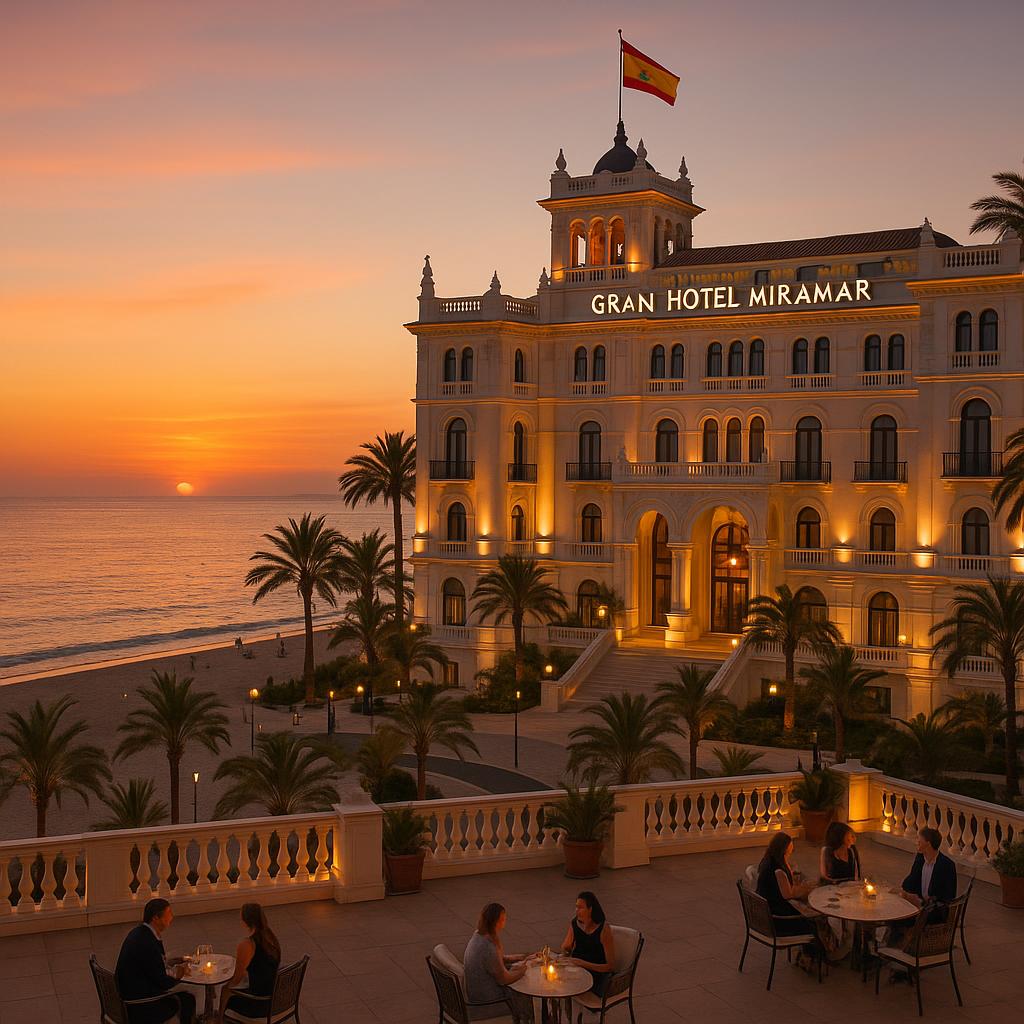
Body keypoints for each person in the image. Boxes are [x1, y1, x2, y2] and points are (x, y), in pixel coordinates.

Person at [115, 898, 196, 1024]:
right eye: (168, 913)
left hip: (130, 993)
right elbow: (163, 982)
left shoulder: (140, 932)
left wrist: (178, 960)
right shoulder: (148, 943)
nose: (172, 917)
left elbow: (151, 966)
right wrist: (181, 974)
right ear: (155, 918)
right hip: (140, 1005)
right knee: (187, 998)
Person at [463, 903, 533, 1023]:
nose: (505, 922)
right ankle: (527, 1019)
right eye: (503, 919)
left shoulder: (478, 935)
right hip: (488, 1000)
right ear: (497, 921)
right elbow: (504, 979)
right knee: (524, 987)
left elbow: (495, 960)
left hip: (476, 992)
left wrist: (518, 958)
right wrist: (524, 969)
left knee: (517, 973)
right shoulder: (488, 947)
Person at [216, 903, 281, 1023]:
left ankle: (219, 1020)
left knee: (226, 990)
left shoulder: (247, 944)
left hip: (260, 1003)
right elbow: (262, 966)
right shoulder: (271, 938)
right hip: (276, 998)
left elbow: (236, 979)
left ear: (245, 921)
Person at [560, 891, 615, 997]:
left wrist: (582, 963)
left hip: (595, 973)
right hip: (577, 970)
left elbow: (610, 966)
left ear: (590, 909)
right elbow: (566, 947)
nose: (577, 911)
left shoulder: (603, 930)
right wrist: (566, 951)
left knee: (563, 987)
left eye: (580, 908)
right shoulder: (575, 924)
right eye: (576, 907)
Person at [901, 827, 957, 922]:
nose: (917, 842)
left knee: (905, 920)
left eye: (919, 841)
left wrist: (924, 904)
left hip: (936, 910)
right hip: (919, 905)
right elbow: (908, 883)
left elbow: (948, 896)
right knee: (898, 915)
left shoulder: (946, 865)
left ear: (928, 844)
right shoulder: (920, 859)